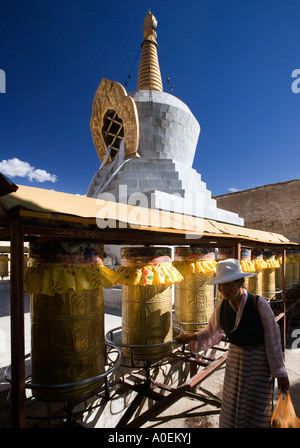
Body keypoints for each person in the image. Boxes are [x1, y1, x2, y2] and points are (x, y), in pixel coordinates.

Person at [176, 258, 289, 428]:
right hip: (235, 362)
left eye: (227, 284)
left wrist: (281, 373)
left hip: (258, 365)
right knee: (232, 403)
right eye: (220, 285)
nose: (222, 290)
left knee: (254, 408)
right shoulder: (223, 306)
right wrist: (190, 337)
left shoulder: (259, 304)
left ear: (240, 282)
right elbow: (210, 331)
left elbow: (273, 339)